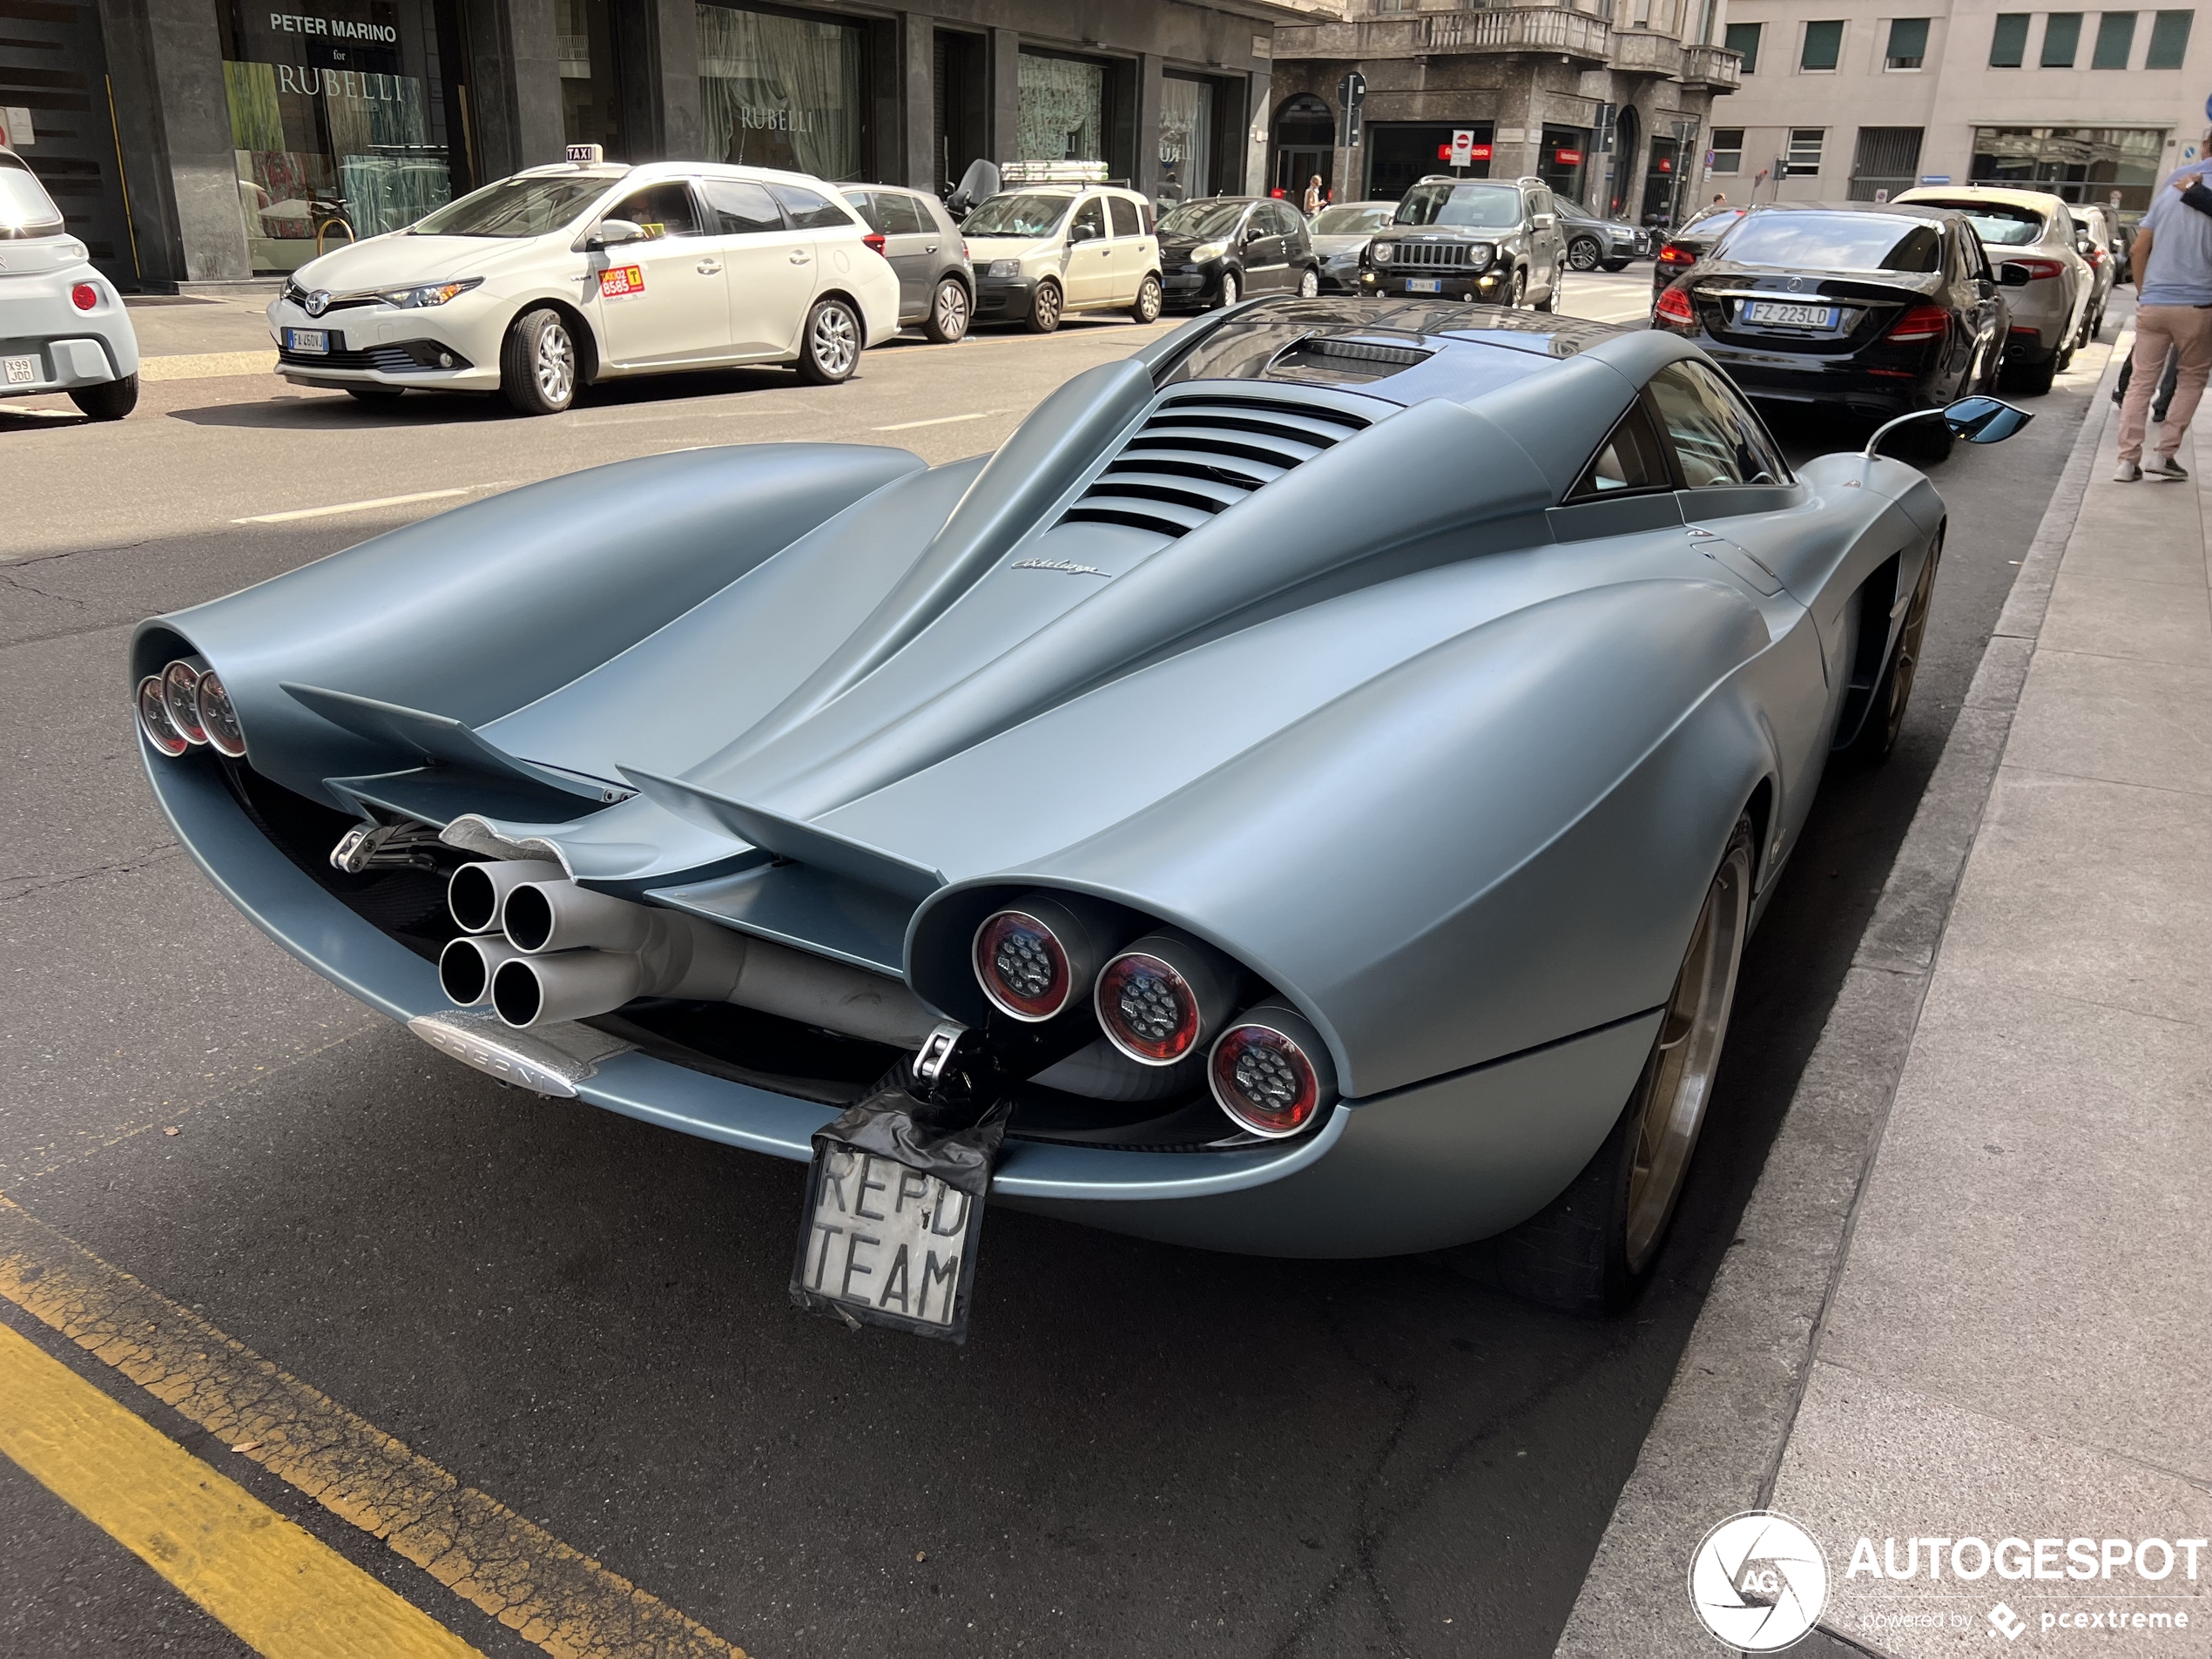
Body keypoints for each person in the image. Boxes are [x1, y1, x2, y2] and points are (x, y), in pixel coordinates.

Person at [2116, 137, 2212, 482]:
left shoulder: (2173, 189)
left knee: (2141, 381)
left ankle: (2127, 461)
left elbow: (2139, 249)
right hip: (2199, 304)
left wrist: (2146, 293)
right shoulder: (2195, 192)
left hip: (2155, 302)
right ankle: (2164, 454)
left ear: (2205, 148)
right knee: (2191, 378)